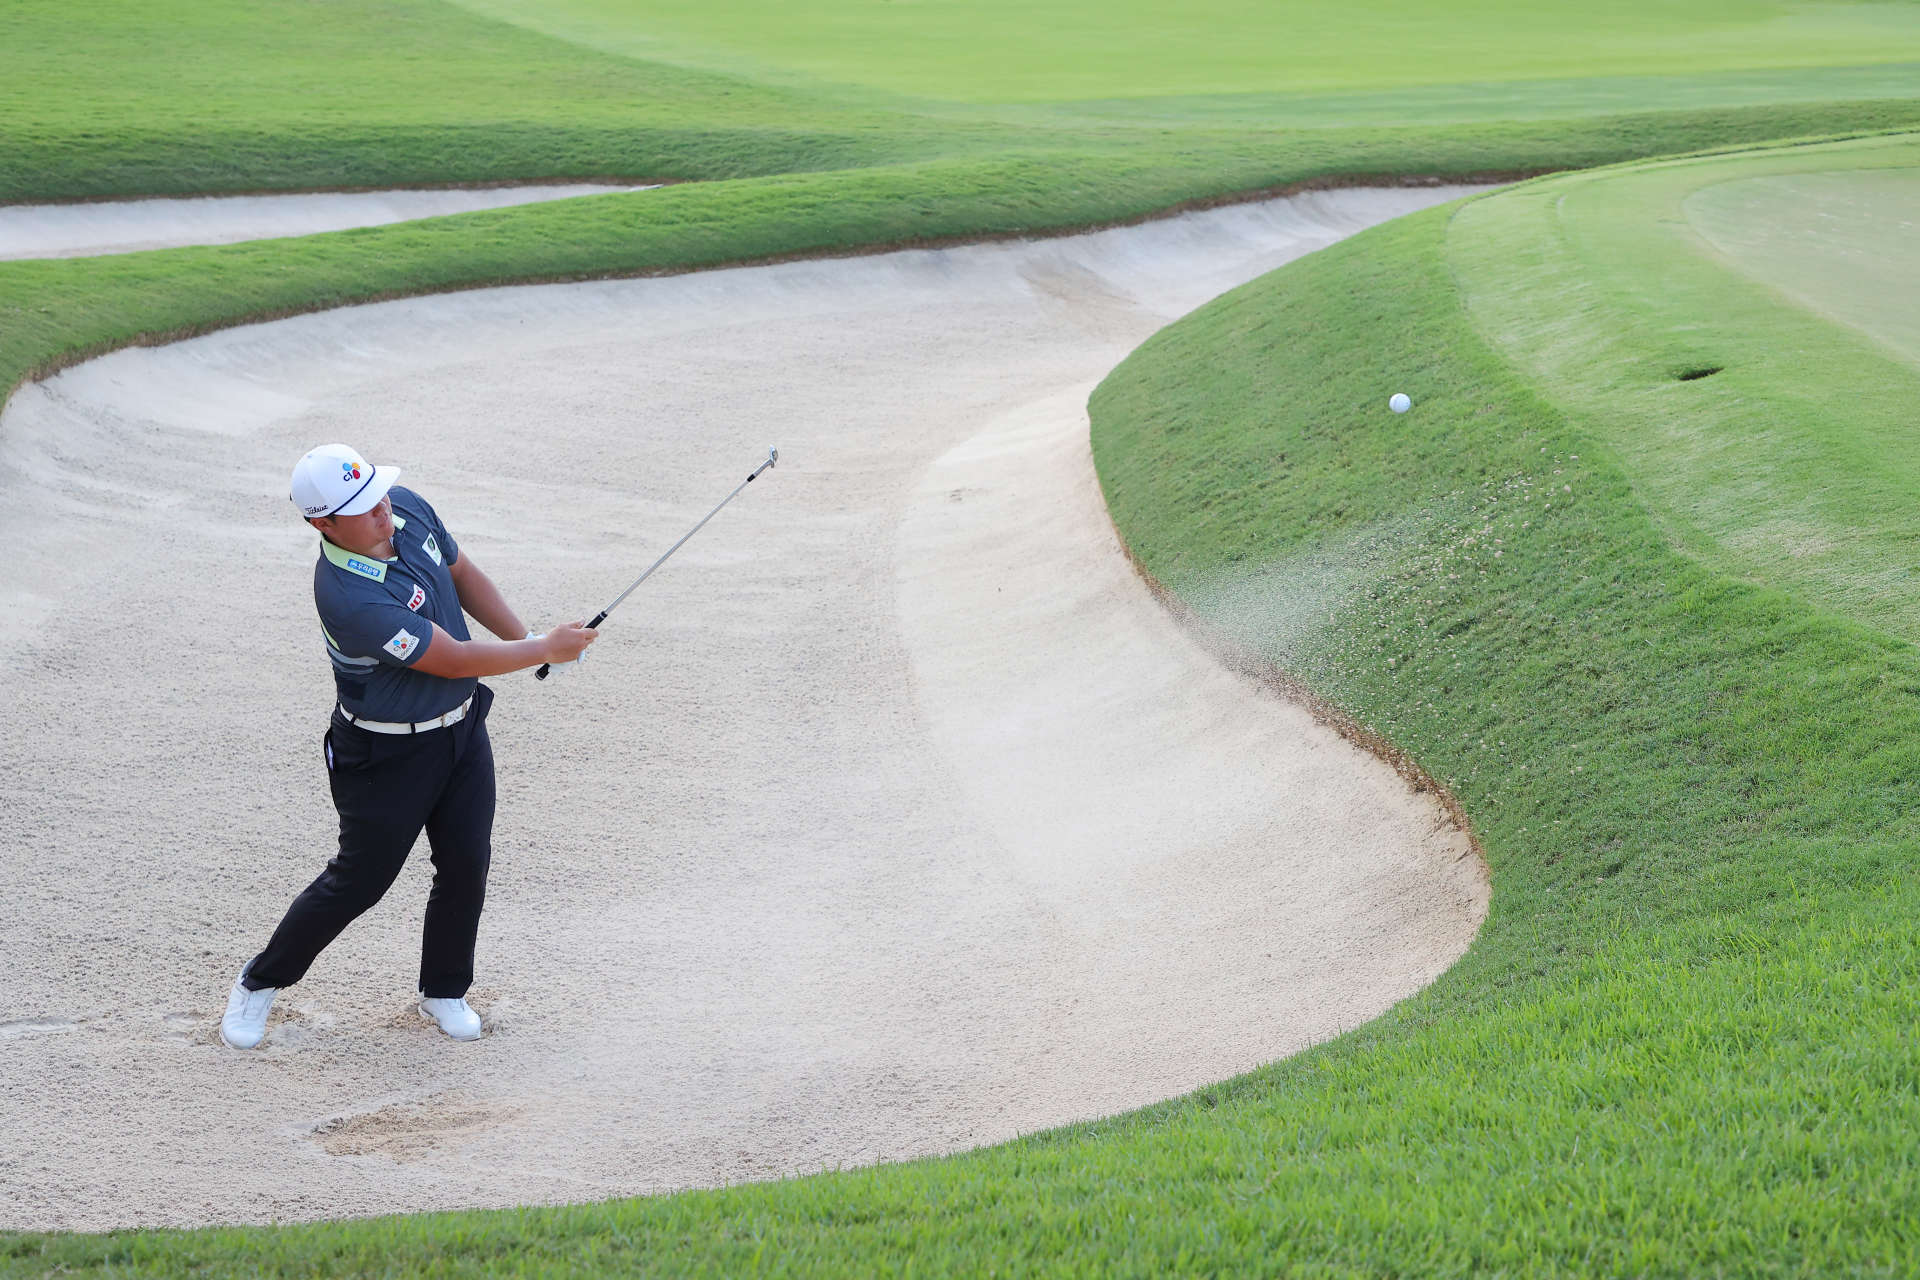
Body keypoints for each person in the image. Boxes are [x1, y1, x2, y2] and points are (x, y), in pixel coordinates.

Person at [220, 443, 596, 1050]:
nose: (382, 510)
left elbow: (461, 574)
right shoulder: (346, 594)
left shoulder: (409, 510)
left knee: (466, 863)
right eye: (363, 508)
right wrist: (542, 651)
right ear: (322, 524)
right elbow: (450, 659)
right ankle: (259, 981)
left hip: (462, 730)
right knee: (360, 881)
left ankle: (444, 990)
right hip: (384, 756)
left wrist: (525, 639)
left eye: (379, 494)